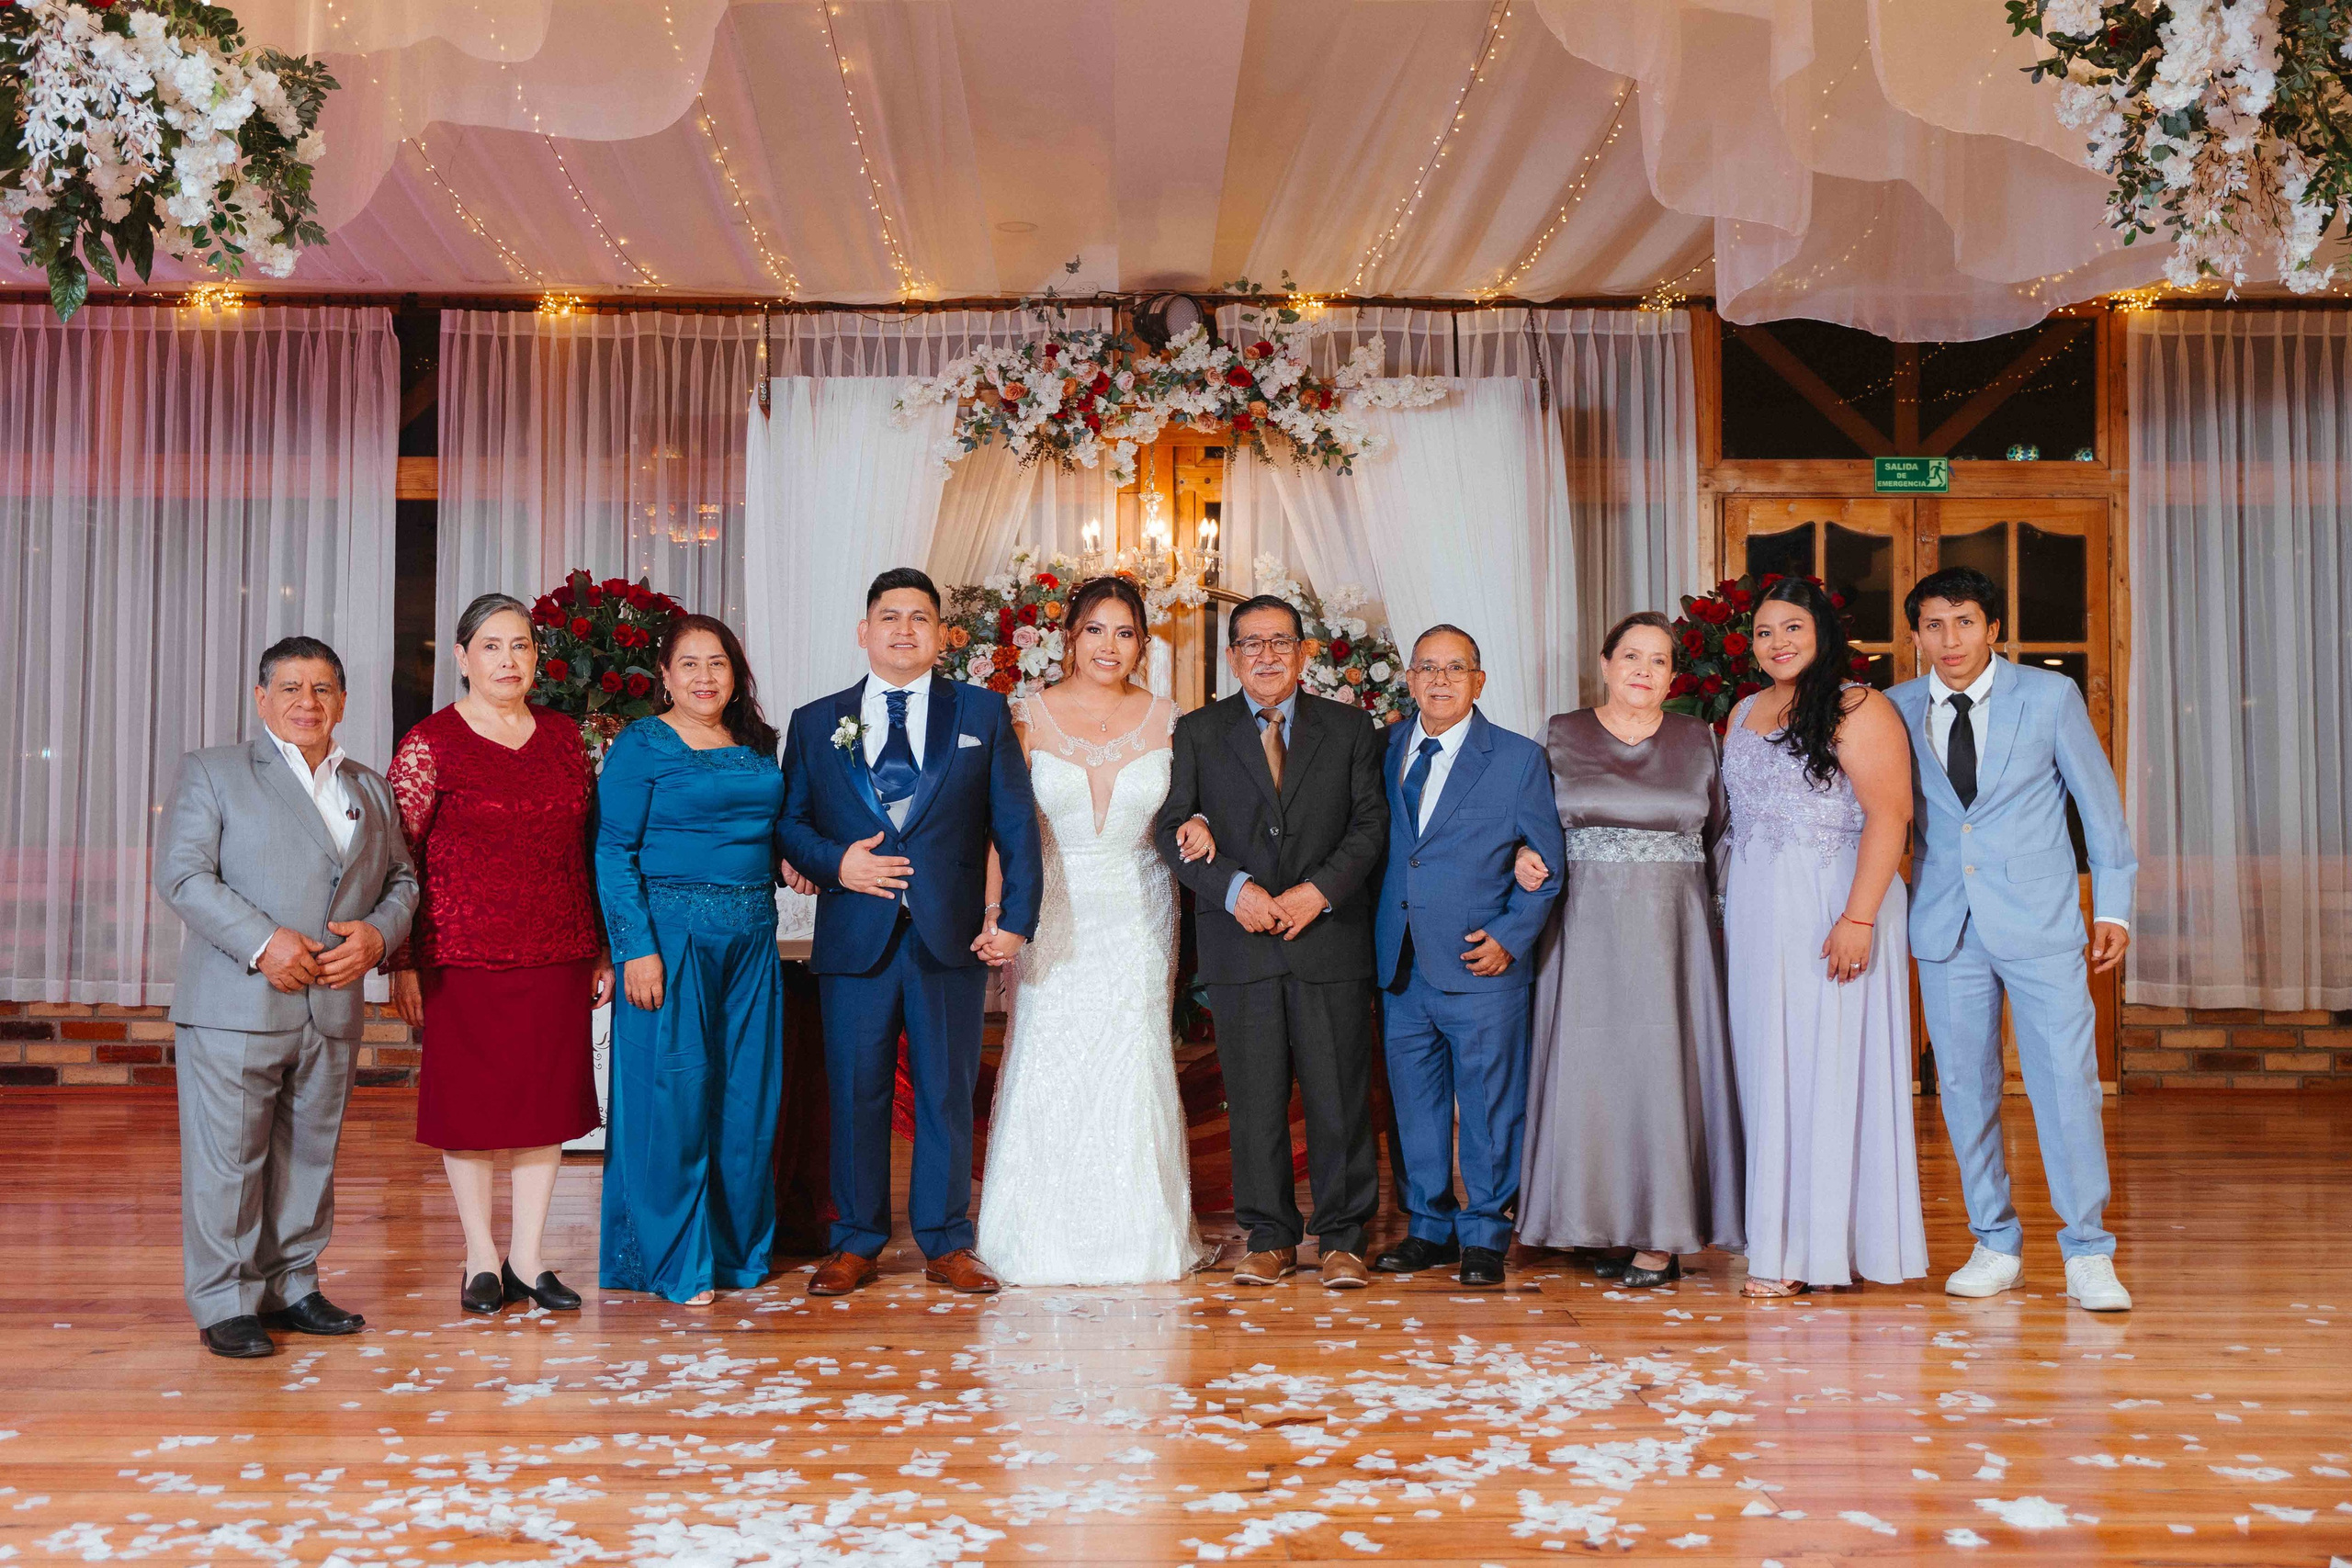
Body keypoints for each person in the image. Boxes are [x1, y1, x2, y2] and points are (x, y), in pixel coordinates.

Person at [777, 567, 1045, 1298]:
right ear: (865, 633)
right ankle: (856, 1240)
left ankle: (947, 1241)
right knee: (856, 1092)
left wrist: (1016, 919)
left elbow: (1015, 827)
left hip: (948, 936)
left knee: (945, 1093)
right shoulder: (814, 720)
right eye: (889, 617)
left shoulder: (984, 715)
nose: (904, 629)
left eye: (919, 617)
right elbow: (790, 825)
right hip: (854, 939)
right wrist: (839, 864)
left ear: (941, 634)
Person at [154, 636, 419, 1358]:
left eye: (324, 688)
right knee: (228, 1160)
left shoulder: (368, 784)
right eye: (293, 687)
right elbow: (183, 876)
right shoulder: (214, 772)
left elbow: (402, 880)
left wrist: (376, 937)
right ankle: (226, 1299)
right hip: (237, 1001)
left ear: (341, 700)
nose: (309, 701)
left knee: (309, 1154)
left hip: (331, 1002)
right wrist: (264, 941)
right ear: (261, 698)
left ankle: (292, 1283)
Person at [1889, 567, 2136, 1313]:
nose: (1950, 638)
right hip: (1945, 924)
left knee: (2066, 1084)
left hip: (2040, 922)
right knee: (1965, 1089)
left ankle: (2088, 1249)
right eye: (1934, 624)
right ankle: (1995, 1240)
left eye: (1964, 620)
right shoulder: (1895, 708)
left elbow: (2099, 807)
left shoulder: (2049, 697)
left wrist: (2114, 908)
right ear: (1916, 635)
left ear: (1992, 627)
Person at [975, 576, 1215, 1285]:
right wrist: (996, 916)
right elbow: (1002, 831)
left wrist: (1203, 822)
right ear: (1070, 636)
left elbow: (1195, 809)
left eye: (1126, 632)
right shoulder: (1025, 717)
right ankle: (1035, 1237)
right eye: (1095, 630)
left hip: (1142, 911)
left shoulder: (1174, 719)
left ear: (1142, 642)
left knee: (1132, 1057)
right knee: (1048, 1052)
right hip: (1049, 910)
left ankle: (1142, 1238)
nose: (1110, 646)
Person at [1155, 593, 1389, 1290]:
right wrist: (1236, 891)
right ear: (1231, 657)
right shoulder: (1197, 732)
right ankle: (1270, 1236)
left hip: (1329, 939)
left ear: (1303, 653)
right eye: (1251, 643)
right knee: (1253, 1097)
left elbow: (1371, 827)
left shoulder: (1350, 728)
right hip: (1241, 943)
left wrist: (1316, 893)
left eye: (1280, 642)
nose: (1266, 655)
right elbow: (1173, 829)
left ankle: (1345, 1237)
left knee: (1338, 1093)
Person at [387, 593, 611, 1317]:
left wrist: (602, 944)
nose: (507, 659)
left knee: (544, 1107)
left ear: (537, 658)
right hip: (462, 951)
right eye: (491, 646)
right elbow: (399, 859)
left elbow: (590, 846)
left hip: (557, 946)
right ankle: (481, 1255)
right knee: (473, 1111)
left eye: (519, 646)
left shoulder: (562, 737)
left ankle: (529, 1257)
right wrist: (403, 961)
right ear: (462, 658)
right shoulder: (429, 744)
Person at [1515, 612, 1744, 1288]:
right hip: (1582, 925)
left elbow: (1723, 837)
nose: (1644, 671)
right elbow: (1525, 821)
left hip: (1674, 931)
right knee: (1591, 1068)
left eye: (1660, 660)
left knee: (1661, 1067)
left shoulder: (1700, 738)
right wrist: (1525, 856)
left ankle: (1661, 1234)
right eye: (1632, 656)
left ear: (1674, 675)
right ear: (1606, 661)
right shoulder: (1560, 733)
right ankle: (1599, 1221)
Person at [1720, 577, 1927, 1297]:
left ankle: (1813, 1248)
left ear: (1822, 634)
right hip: (1755, 908)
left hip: (1831, 901)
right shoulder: (1745, 709)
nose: (1777, 642)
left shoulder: (1858, 705)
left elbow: (1891, 816)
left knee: (1823, 1066)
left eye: (1792, 628)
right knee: (1769, 1067)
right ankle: (1775, 1236)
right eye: (1764, 631)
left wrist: (1858, 916)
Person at [595, 615, 791, 1305]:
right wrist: (636, 948)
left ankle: (735, 1252)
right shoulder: (642, 744)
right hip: (670, 939)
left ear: (736, 674)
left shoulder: (756, 744)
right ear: (666, 676)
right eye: (690, 664)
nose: (705, 676)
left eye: (718, 663)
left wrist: (788, 854)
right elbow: (612, 851)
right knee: (671, 1099)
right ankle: (674, 1260)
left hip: (751, 942)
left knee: (746, 1101)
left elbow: (768, 827)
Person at [1367, 626, 1563, 1289]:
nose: (1441, 679)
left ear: (1480, 681)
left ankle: (1485, 1230)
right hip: (1399, 965)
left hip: (1482, 963)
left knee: (1487, 1104)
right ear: (1411, 678)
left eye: (1456, 667)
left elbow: (1549, 864)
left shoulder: (1516, 759)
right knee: (1415, 1105)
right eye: (1428, 667)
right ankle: (1429, 1226)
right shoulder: (1382, 748)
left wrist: (1511, 934)